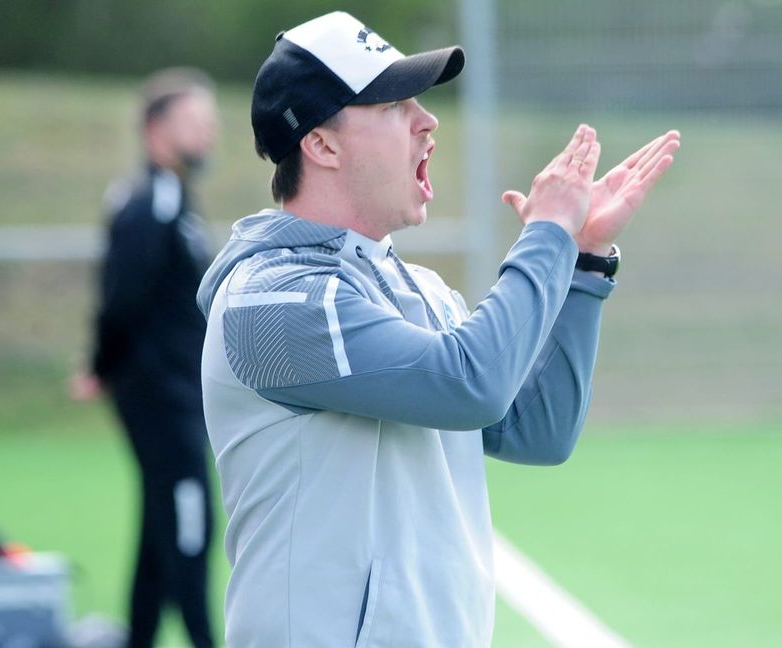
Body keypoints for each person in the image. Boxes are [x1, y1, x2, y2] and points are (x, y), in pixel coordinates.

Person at [196, 11, 680, 646]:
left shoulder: (416, 287)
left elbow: (536, 431)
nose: (428, 122)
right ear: (322, 144)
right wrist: (547, 235)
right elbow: (470, 384)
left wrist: (583, 261)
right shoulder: (270, 300)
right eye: (396, 105)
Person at [73, 68, 220, 648]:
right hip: (160, 396)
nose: (209, 134)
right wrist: (101, 366)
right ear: (156, 130)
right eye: (196, 122)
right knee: (189, 524)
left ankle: (139, 637)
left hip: (179, 392)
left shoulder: (178, 199)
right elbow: (120, 297)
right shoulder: (150, 203)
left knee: (162, 526)